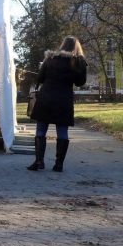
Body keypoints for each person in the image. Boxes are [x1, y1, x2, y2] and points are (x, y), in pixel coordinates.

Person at [27, 36, 87, 172]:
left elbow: (40, 78)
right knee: (62, 131)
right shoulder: (78, 61)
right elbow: (80, 82)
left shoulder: (50, 58)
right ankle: (59, 164)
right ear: (76, 47)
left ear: (62, 45)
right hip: (63, 100)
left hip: (46, 98)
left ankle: (38, 162)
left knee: (41, 130)